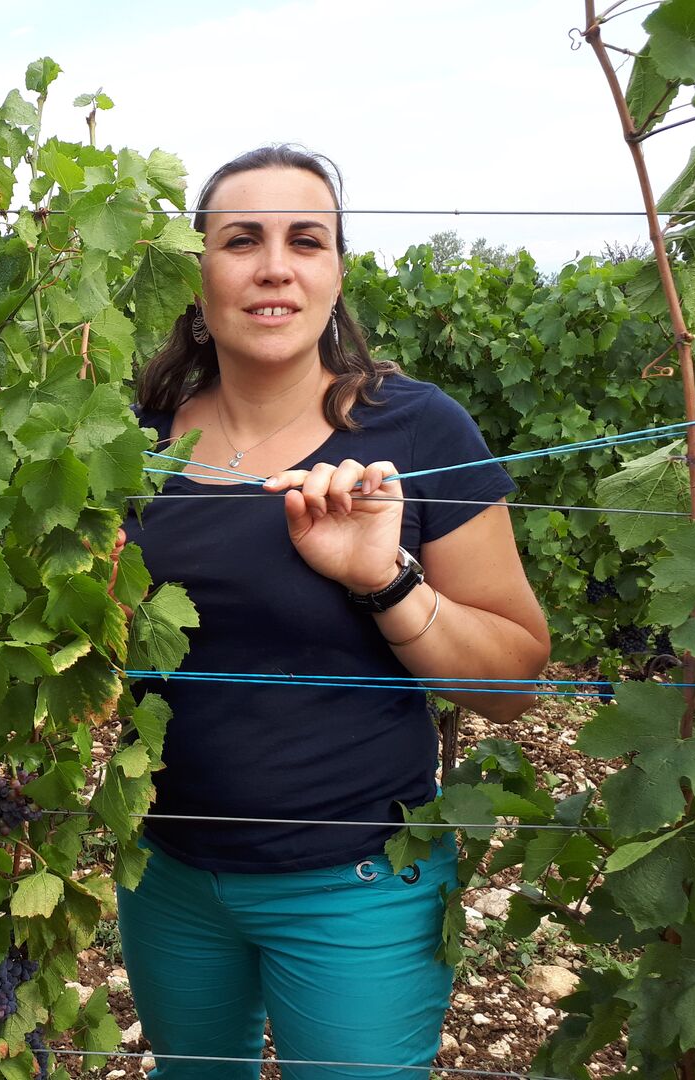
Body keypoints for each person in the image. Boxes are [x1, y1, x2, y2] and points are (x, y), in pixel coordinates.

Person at [117, 146, 550, 1080]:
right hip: (168, 879)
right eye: (243, 240)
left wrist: (386, 581)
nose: (275, 264)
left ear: (335, 271)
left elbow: (515, 681)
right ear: (200, 275)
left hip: (356, 888)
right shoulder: (131, 443)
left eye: (305, 240)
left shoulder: (416, 431)